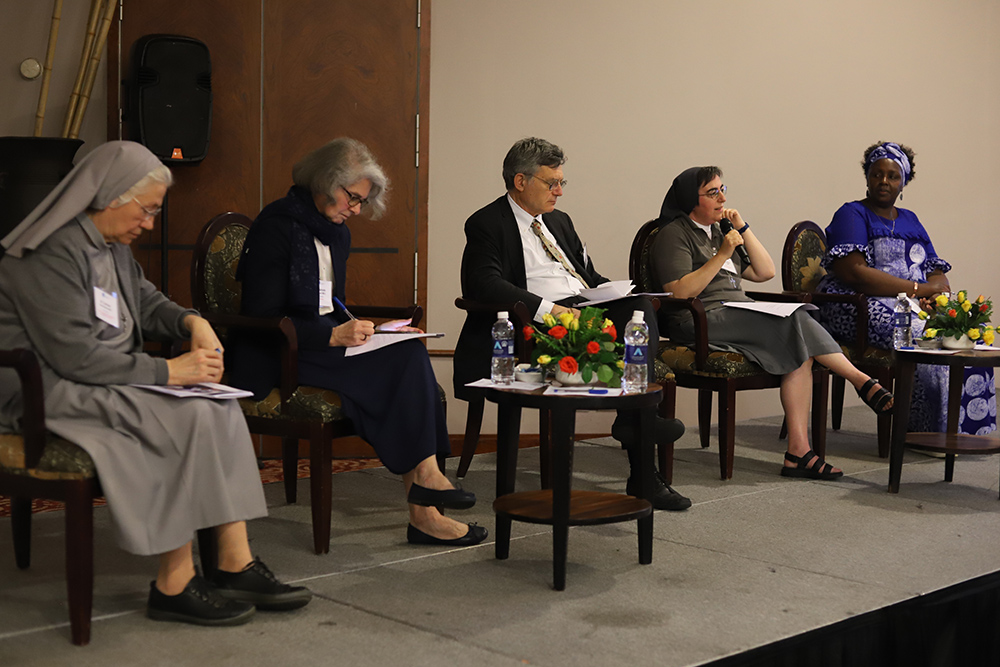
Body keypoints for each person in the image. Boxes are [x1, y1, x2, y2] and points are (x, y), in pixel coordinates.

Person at [0, 141, 311, 627]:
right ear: (106, 195)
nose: (148, 223)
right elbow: (75, 357)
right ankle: (174, 581)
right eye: (145, 210)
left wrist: (191, 323)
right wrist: (169, 373)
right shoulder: (50, 253)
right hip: (46, 388)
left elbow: (147, 303)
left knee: (216, 406)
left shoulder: (110, 245)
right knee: (180, 413)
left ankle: (233, 562)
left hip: (105, 378)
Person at [231, 138, 487, 547]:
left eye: (361, 202)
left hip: (321, 343)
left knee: (405, 349)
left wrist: (369, 330)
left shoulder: (337, 233)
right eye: (352, 197)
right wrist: (331, 334)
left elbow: (331, 302)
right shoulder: (276, 227)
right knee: (402, 371)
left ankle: (426, 496)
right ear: (323, 181)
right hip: (277, 349)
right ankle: (425, 499)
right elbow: (263, 314)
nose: (355, 209)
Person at [454, 137, 691, 511]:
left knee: (640, 307)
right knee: (623, 333)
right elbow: (485, 283)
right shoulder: (486, 223)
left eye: (562, 183)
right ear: (520, 181)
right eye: (552, 183)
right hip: (536, 324)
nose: (560, 192)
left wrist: (615, 292)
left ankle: (635, 434)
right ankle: (643, 447)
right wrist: (553, 311)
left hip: (584, 310)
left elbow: (586, 276)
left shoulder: (559, 221)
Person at [650, 166, 896, 480]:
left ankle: (799, 451)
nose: (723, 197)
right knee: (796, 319)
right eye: (713, 192)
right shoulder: (674, 233)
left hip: (738, 311)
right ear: (690, 199)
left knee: (801, 341)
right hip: (700, 318)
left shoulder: (720, 231)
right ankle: (860, 379)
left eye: (723, 189)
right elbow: (679, 292)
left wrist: (743, 228)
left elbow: (764, 272)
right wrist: (722, 253)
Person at [816, 142, 996, 435]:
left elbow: (936, 273)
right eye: (877, 174)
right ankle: (924, 433)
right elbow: (855, 273)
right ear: (867, 177)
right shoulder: (852, 213)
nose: (884, 181)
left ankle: (965, 433)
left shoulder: (911, 220)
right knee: (922, 334)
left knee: (961, 332)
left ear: (904, 182)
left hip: (908, 301)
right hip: (854, 303)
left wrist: (934, 295)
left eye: (893, 176)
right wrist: (919, 290)